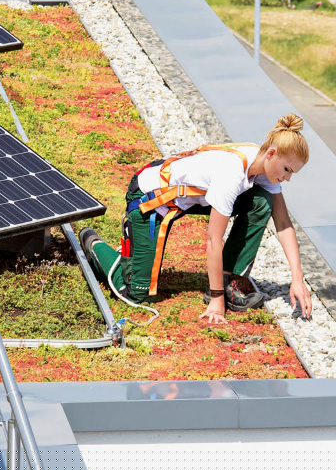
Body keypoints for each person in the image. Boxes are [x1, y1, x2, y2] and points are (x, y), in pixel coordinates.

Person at [80, 113, 313, 324]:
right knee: (135, 292)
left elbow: (283, 224)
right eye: (287, 170)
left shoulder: (262, 164)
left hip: (189, 198)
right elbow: (213, 240)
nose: (287, 178)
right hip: (149, 199)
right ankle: (94, 244)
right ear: (271, 154)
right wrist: (216, 301)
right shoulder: (232, 174)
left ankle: (227, 277)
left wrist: (297, 279)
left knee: (262, 201)